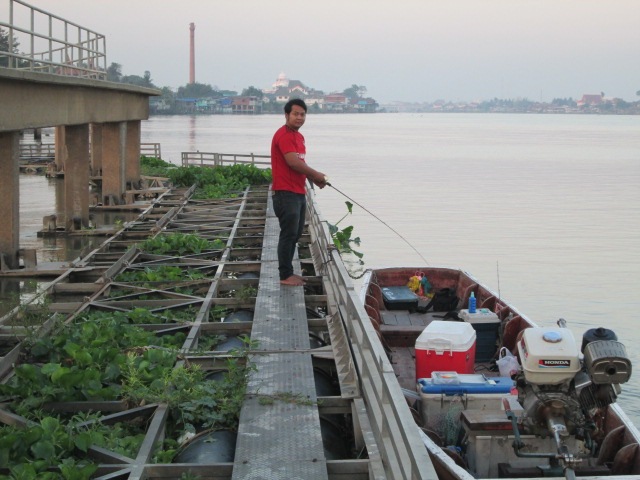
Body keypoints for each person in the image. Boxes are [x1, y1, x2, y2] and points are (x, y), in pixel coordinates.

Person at [271, 99, 327, 286]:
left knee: (295, 234)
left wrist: (314, 179)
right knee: (288, 234)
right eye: (295, 114)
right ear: (287, 115)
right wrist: (317, 173)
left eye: (302, 114)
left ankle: (288, 272)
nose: (299, 117)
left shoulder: (299, 137)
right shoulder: (284, 135)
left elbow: (300, 165)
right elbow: (293, 162)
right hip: (285, 193)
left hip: (297, 192)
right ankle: (285, 275)